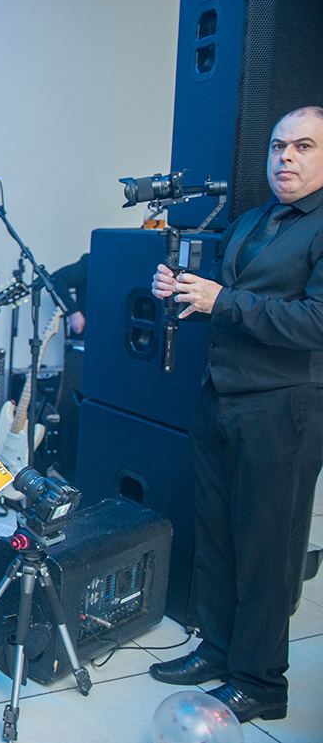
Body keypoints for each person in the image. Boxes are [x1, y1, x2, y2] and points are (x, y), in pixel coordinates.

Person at [149, 106, 323, 723]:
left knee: (267, 549)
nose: (286, 157)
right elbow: (225, 301)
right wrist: (184, 291)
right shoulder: (252, 220)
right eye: (278, 146)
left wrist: (223, 300)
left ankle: (260, 681)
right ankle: (219, 649)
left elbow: (316, 321)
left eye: (303, 146)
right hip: (222, 396)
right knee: (219, 536)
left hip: (284, 407)